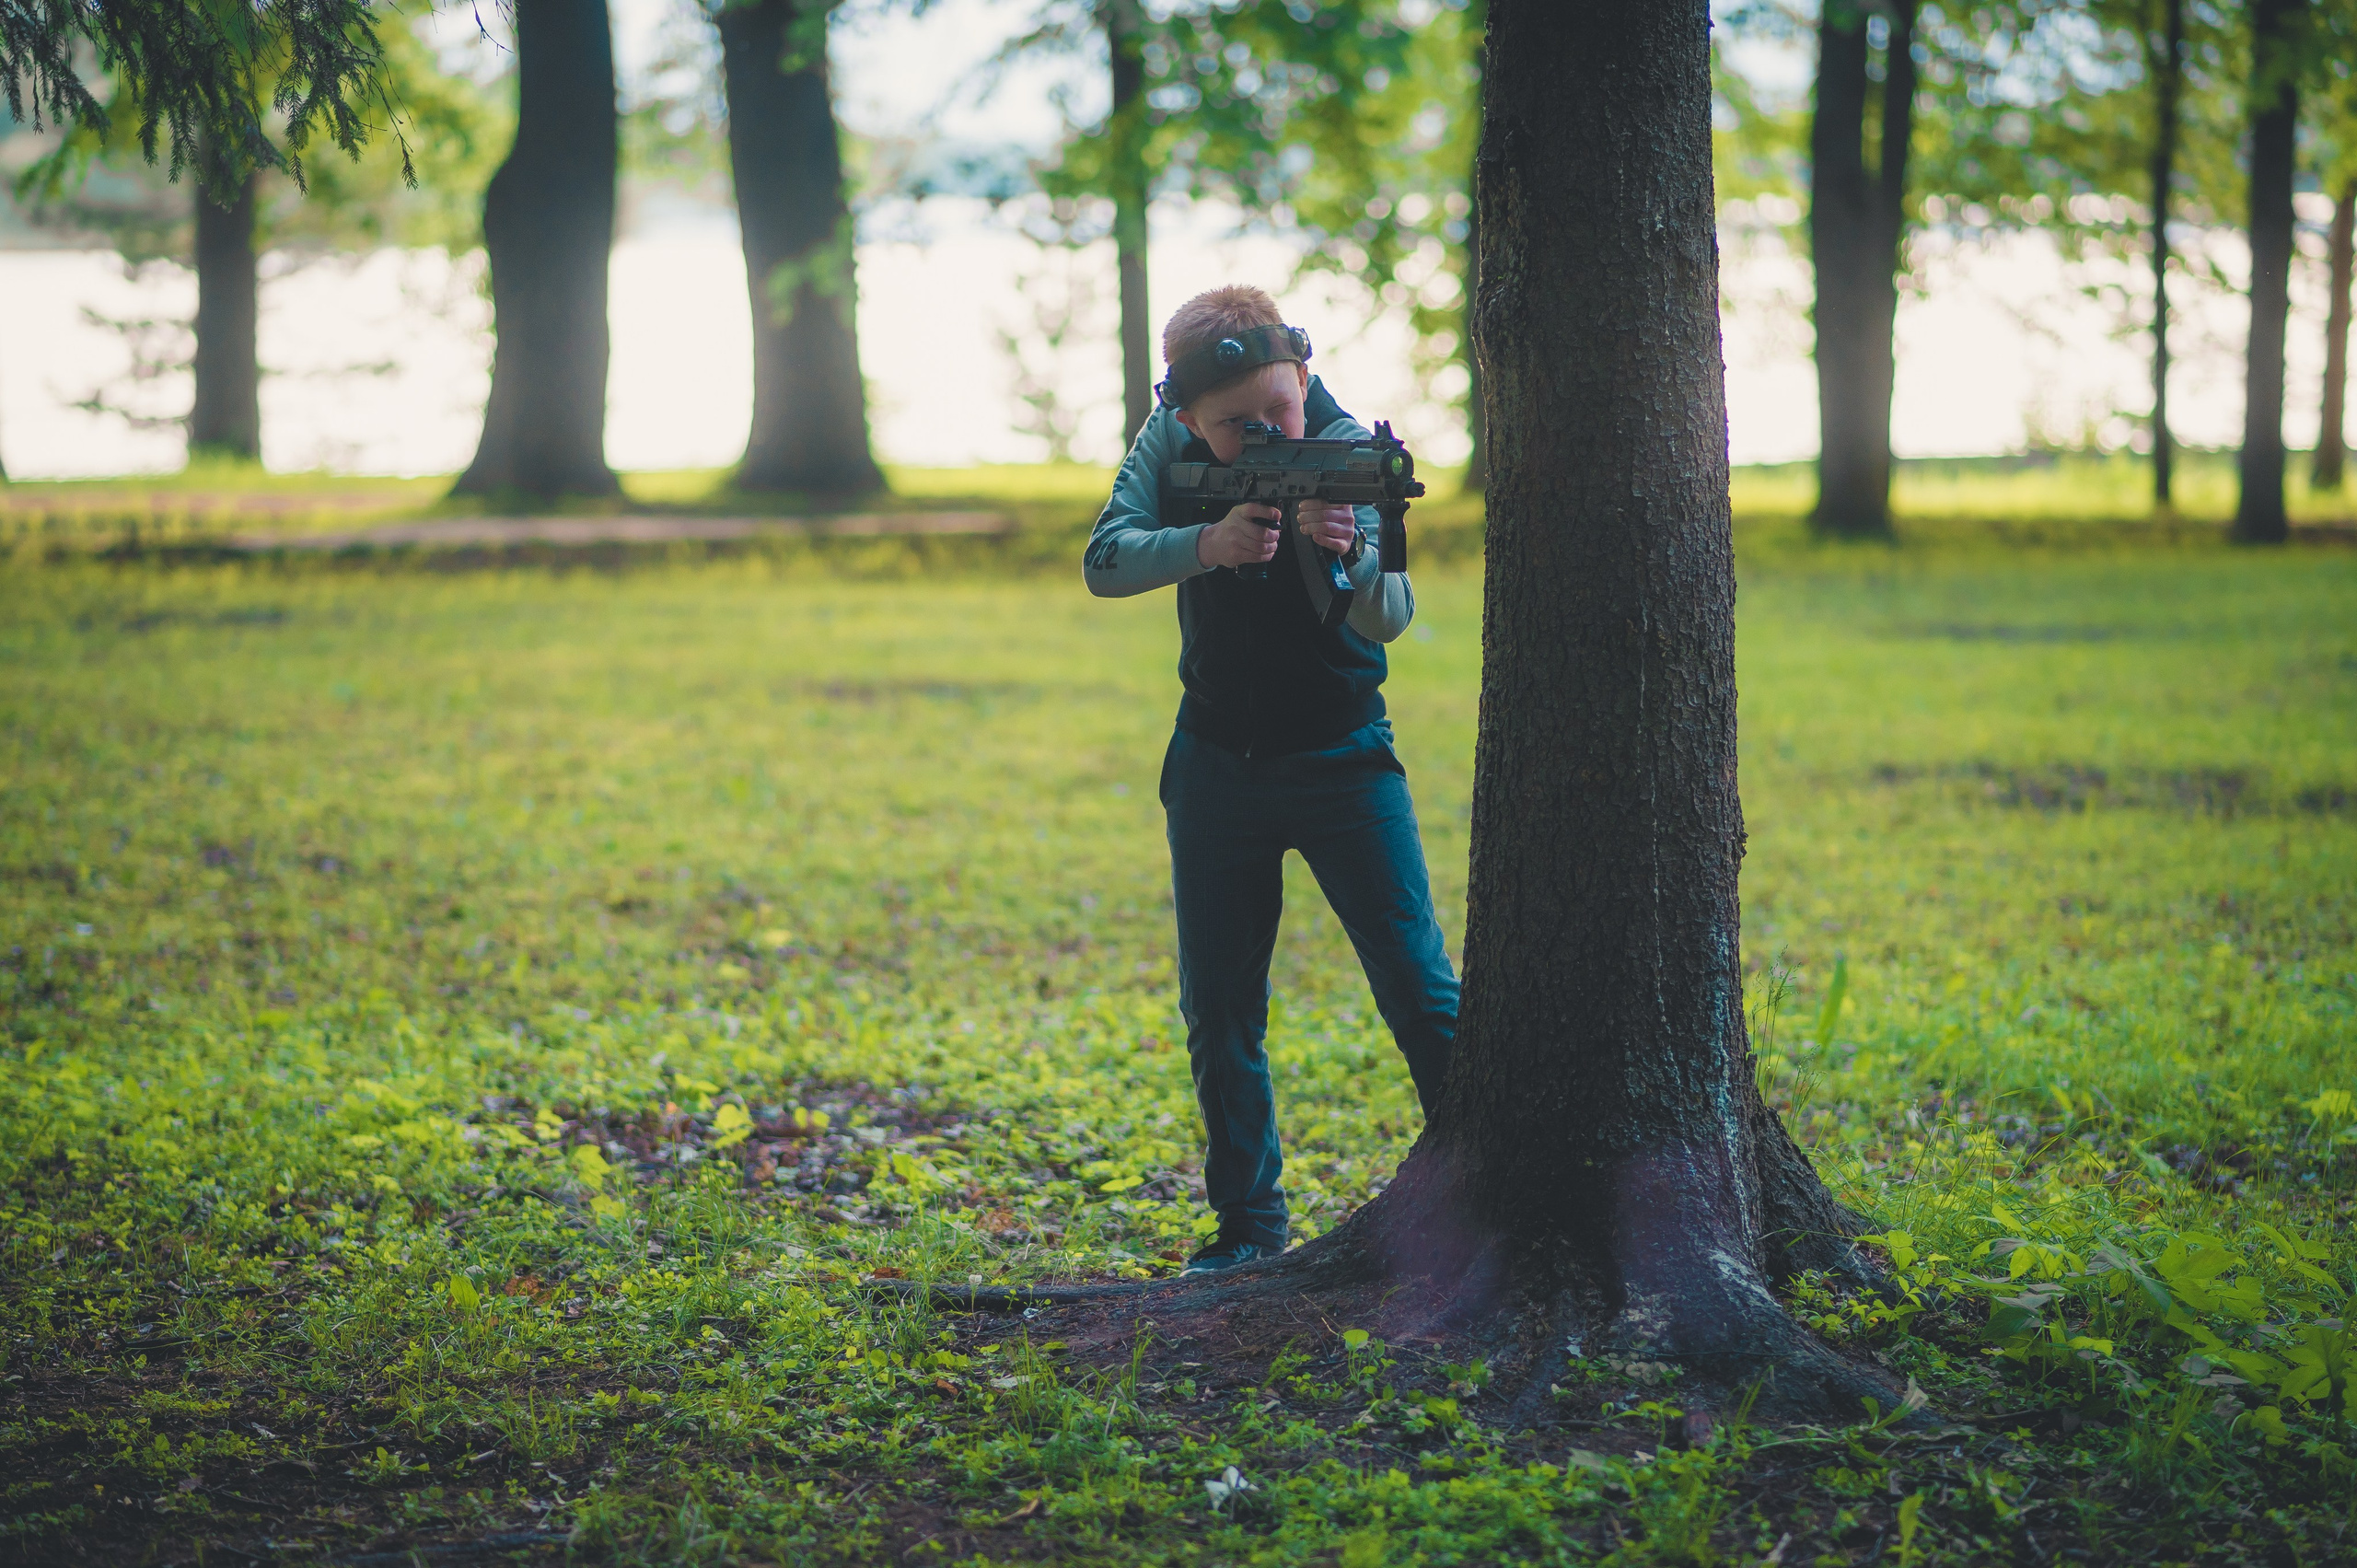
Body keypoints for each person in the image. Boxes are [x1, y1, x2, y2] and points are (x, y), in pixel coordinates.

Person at [1083, 284, 1459, 1274]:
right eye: (1232, 427)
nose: (1261, 436)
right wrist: (1205, 543)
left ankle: (1474, 1198)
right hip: (1213, 763)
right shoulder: (1166, 443)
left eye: (1277, 412)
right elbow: (1105, 558)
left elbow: (1389, 619)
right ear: (1184, 415)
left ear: (1302, 372)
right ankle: (1248, 1229)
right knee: (1220, 1010)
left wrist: (1345, 551)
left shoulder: (1343, 446)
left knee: (1421, 992)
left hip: (1344, 758)